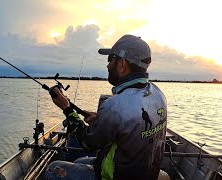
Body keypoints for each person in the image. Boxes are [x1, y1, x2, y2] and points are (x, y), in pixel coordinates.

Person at [46, 34, 167, 180]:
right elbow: (130, 126)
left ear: (122, 64)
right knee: (79, 161)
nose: (107, 65)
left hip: (117, 176)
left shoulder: (114, 105)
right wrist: (100, 119)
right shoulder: (158, 94)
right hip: (144, 174)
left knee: (53, 169)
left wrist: (67, 109)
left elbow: (88, 143)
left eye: (110, 59)